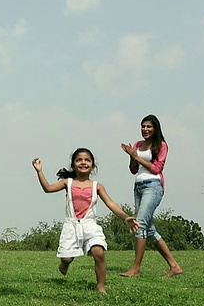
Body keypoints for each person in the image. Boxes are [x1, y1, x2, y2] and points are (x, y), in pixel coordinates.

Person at [32, 148, 138, 293]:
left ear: (93, 165)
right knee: (67, 259)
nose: (83, 162)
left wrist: (126, 217)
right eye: (79, 160)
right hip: (71, 226)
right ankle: (64, 264)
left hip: (90, 226)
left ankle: (101, 287)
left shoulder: (97, 186)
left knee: (99, 252)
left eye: (87, 160)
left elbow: (111, 203)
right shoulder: (67, 183)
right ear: (73, 164)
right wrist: (39, 171)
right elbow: (48, 188)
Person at [120, 114, 183, 277]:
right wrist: (131, 156)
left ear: (155, 128)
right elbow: (133, 170)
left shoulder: (161, 145)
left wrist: (136, 157)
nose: (145, 129)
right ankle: (174, 266)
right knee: (149, 229)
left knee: (139, 224)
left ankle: (135, 268)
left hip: (153, 186)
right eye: (143, 126)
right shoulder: (138, 145)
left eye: (149, 127)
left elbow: (156, 168)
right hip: (138, 186)